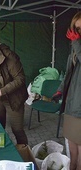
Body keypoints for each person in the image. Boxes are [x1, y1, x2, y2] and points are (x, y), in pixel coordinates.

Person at [52, 11, 81, 170]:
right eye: (76, 29)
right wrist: (60, 90)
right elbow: (68, 74)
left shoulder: (78, 46)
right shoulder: (75, 49)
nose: (78, 33)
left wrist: (77, 43)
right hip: (71, 106)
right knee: (72, 153)